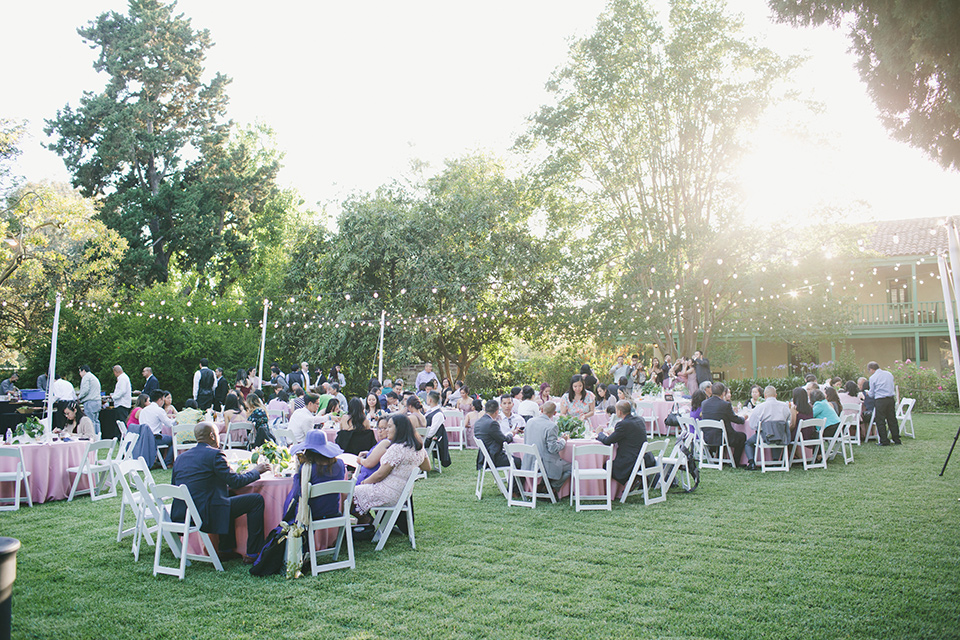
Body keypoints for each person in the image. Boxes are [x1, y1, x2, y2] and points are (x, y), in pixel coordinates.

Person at [171, 422, 269, 563]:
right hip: (205, 513)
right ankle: (253, 553)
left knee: (229, 496)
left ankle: (225, 549)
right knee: (256, 501)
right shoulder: (215, 454)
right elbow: (235, 481)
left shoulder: (180, 458)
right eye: (217, 435)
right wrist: (256, 471)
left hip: (184, 513)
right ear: (212, 436)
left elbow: (176, 485)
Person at [352, 414, 430, 522]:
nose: (387, 430)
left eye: (389, 427)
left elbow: (380, 475)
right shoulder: (418, 447)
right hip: (403, 494)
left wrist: (364, 483)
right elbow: (427, 467)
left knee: (348, 494)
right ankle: (366, 523)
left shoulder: (397, 448)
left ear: (399, 428)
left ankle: (365, 521)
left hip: (387, 492)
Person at [282, 430, 346, 522]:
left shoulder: (308, 468)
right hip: (333, 511)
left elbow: (297, 494)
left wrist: (297, 473)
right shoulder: (340, 464)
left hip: (312, 514)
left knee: (290, 502)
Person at [597, 400, 653, 487]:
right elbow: (630, 435)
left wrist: (599, 433)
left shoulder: (623, 424)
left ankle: (612, 491)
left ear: (619, 412)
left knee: (605, 466)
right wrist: (615, 434)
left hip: (629, 462)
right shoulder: (640, 419)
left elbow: (607, 441)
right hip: (644, 458)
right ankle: (635, 480)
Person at [521, 401, 570, 493]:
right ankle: (551, 487)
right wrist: (563, 441)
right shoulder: (551, 426)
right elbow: (553, 449)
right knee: (571, 467)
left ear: (542, 410)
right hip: (544, 464)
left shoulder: (530, 422)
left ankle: (544, 485)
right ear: (555, 413)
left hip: (528, 461)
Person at [744, 386, 791, 470]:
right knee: (777, 437)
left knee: (748, 443)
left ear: (765, 395)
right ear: (776, 395)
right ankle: (776, 462)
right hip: (781, 436)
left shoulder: (760, 407)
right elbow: (788, 420)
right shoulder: (784, 406)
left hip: (765, 436)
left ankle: (751, 462)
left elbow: (752, 424)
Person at [699, 382, 746, 467]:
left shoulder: (704, 403)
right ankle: (735, 462)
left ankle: (721, 458)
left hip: (707, 436)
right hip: (723, 437)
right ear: (723, 393)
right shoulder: (725, 405)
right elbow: (735, 419)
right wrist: (743, 418)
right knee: (742, 436)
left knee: (724, 432)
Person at [474, 399, 521, 471]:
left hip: (483, 459)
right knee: (519, 461)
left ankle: (513, 482)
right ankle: (515, 482)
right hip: (494, 458)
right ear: (497, 411)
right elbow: (504, 440)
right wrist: (512, 433)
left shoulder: (478, 422)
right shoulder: (492, 423)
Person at [866, 361, 900, 446]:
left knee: (880, 420)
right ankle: (896, 439)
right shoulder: (889, 374)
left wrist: (867, 393)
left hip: (880, 400)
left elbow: (872, 393)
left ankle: (884, 440)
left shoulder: (873, 378)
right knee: (892, 419)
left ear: (871, 369)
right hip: (890, 399)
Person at [139, 389, 176, 467]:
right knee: (174, 440)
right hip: (155, 438)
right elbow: (169, 424)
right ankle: (167, 462)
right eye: (163, 399)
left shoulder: (143, 411)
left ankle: (162, 460)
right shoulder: (159, 410)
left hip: (144, 438)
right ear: (159, 400)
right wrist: (178, 419)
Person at [423, 390, 452, 467]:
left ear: (430, 400)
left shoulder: (438, 414)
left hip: (431, 440)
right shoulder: (429, 411)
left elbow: (431, 432)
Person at [77, 365, 102, 435]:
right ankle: (98, 436)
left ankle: (92, 437)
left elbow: (85, 390)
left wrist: (79, 397)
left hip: (90, 402)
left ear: (83, 371)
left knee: (90, 421)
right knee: (96, 421)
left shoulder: (86, 377)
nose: (79, 374)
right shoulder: (93, 377)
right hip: (97, 401)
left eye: (80, 372)